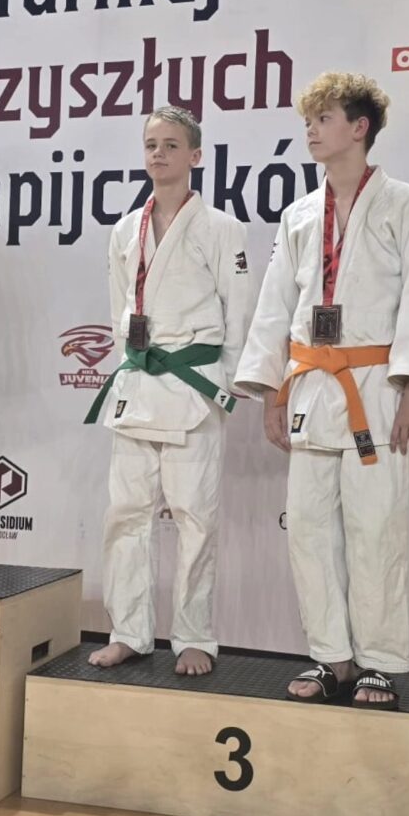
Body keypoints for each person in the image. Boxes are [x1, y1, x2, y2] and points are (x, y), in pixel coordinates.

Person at [234, 73, 409, 707]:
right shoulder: (300, 214)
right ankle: (331, 656)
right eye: (308, 120)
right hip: (309, 388)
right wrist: (272, 391)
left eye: (324, 118)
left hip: (374, 388)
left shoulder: (408, 206)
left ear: (359, 127)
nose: (311, 129)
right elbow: (276, 306)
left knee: (375, 529)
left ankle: (378, 661)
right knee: (307, 531)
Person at [85, 105, 253, 675]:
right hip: (138, 384)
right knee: (125, 515)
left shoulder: (222, 228)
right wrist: (129, 364)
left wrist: (227, 381)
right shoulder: (124, 229)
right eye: (151, 145)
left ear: (195, 156)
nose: (158, 154)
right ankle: (129, 631)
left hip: (193, 388)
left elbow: (239, 310)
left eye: (171, 145)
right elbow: (119, 311)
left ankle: (194, 636)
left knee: (195, 517)